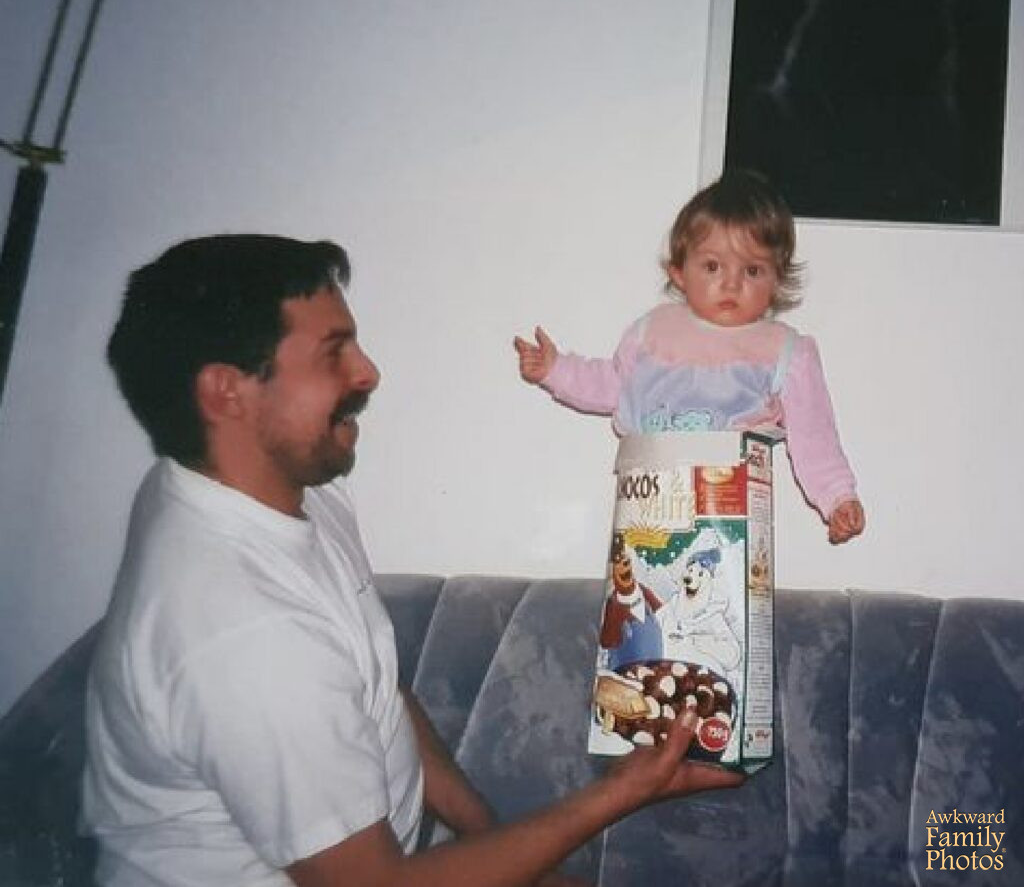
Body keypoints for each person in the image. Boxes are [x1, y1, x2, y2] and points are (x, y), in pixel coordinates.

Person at [82, 233, 743, 887]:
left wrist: (508, 855)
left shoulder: (277, 495)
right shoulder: (241, 630)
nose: (367, 372)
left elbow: (378, 692)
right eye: (333, 352)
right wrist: (624, 790)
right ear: (226, 392)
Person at [514, 170, 865, 545]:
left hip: (728, 513)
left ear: (776, 279)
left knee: (715, 576)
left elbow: (814, 434)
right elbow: (614, 385)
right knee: (643, 571)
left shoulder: (784, 352)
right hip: (649, 499)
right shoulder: (653, 332)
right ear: (680, 273)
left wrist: (837, 497)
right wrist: (555, 369)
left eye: (752, 270)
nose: (731, 283)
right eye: (713, 266)